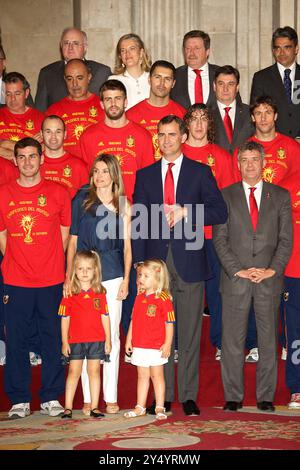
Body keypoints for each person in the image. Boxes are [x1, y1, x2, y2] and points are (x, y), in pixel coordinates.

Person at [133, 115, 227, 415]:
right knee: (156, 333)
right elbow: (138, 222)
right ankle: (162, 397)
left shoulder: (200, 172)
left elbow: (219, 211)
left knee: (187, 333)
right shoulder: (145, 175)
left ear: (183, 137)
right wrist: (138, 265)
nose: (166, 140)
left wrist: (187, 211)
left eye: (172, 135)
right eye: (161, 135)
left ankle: (187, 395)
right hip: (155, 266)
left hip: (189, 261)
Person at [213, 141, 293, 412]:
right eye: (244, 160)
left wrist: (272, 269)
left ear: (263, 163)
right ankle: (233, 396)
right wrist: (238, 270)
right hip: (236, 278)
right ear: (238, 164)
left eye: (254, 159)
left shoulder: (280, 196)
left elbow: (285, 240)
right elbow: (220, 240)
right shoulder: (225, 196)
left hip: (269, 279)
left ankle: (265, 397)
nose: (249, 164)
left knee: (268, 340)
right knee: (232, 341)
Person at [0, 137, 71, 419]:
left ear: (42, 159)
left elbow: (65, 234)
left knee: (52, 338)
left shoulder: (58, 192)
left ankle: (51, 396)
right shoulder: (3, 193)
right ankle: (19, 399)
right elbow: (2, 236)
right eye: (22, 157)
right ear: (14, 160)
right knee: (16, 340)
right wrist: (19, 258)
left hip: (51, 279)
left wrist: (48, 260)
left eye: (32, 156)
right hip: (16, 280)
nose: (27, 161)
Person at [66, 153, 131, 415]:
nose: (99, 176)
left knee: (110, 335)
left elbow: (128, 246)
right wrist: (68, 277)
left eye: (104, 171)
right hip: (84, 275)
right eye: (96, 171)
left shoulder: (124, 203)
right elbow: (72, 241)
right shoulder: (82, 198)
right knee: (85, 335)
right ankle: (89, 398)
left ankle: (111, 396)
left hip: (114, 273)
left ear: (114, 174)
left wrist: (127, 279)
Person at [182, 103, 234, 359]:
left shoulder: (221, 156)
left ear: (210, 124)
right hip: (185, 235)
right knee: (185, 293)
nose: (199, 124)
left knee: (216, 293)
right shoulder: (176, 153)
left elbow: (228, 201)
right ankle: (180, 345)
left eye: (204, 119)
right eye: (194, 119)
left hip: (213, 234)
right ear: (187, 124)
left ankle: (221, 343)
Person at [80, 79, 154, 200]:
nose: (113, 104)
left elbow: (150, 179)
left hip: (134, 208)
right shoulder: (88, 136)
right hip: (100, 209)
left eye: (118, 99)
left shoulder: (142, 136)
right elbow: (86, 179)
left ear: (125, 102)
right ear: (102, 104)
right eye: (108, 99)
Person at [59, 250, 111, 419]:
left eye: (89, 268)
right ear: (74, 270)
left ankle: (95, 407)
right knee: (74, 372)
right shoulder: (69, 293)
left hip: (96, 340)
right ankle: (68, 407)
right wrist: (64, 342)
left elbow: (105, 317)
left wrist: (108, 340)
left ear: (95, 270)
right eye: (80, 268)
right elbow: (65, 319)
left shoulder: (100, 293)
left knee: (94, 372)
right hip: (75, 340)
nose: (84, 272)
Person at [124, 259, 175, 420]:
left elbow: (169, 323)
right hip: (140, 344)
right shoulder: (139, 297)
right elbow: (134, 319)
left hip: (156, 346)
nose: (141, 279)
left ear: (157, 278)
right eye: (140, 275)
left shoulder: (164, 298)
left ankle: (160, 406)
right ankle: (140, 406)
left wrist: (167, 344)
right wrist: (129, 339)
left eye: (146, 276)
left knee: (157, 376)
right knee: (142, 376)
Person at [35, 27, 111, 111]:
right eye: (66, 43)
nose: (70, 47)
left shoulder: (102, 72)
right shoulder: (47, 73)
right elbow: (40, 111)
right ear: (61, 46)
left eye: (75, 43)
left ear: (85, 47)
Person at [127, 60, 186, 160]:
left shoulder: (183, 114)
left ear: (173, 83)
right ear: (149, 79)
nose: (162, 83)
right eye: (157, 77)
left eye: (167, 79)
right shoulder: (130, 115)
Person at [46, 59, 104, 159]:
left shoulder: (103, 106)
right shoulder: (54, 111)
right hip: (66, 172)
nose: (74, 84)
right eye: (69, 79)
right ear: (65, 79)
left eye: (79, 78)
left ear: (89, 77)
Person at [250, 26, 300, 139]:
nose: (281, 52)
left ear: (296, 49)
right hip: (273, 143)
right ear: (273, 51)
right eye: (277, 48)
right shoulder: (261, 78)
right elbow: (256, 113)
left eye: (287, 47)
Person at [40, 115, 89, 199]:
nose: (53, 137)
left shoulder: (79, 167)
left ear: (65, 134)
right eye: (48, 132)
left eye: (58, 132)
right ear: (41, 134)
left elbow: (85, 203)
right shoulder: (33, 165)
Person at [209, 65, 254, 154]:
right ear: (214, 86)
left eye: (230, 84)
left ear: (237, 87)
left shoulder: (250, 112)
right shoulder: (205, 114)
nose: (225, 89)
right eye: (221, 84)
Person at [0, 72, 44, 161]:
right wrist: (30, 145)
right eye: (8, 94)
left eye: (17, 93)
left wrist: (5, 144)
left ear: (26, 93)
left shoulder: (41, 118)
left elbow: (45, 148)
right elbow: (35, 151)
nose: (12, 98)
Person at [171, 30, 219, 109]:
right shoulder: (175, 75)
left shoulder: (220, 74)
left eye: (197, 48)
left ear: (207, 51)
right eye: (188, 48)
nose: (191, 53)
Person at [109, 33, 151, 109]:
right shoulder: (114, 80)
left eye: (132, 48)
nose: (127, 53)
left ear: (141, 52)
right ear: (120, 56)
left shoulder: (152, 78)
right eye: (123, 50)